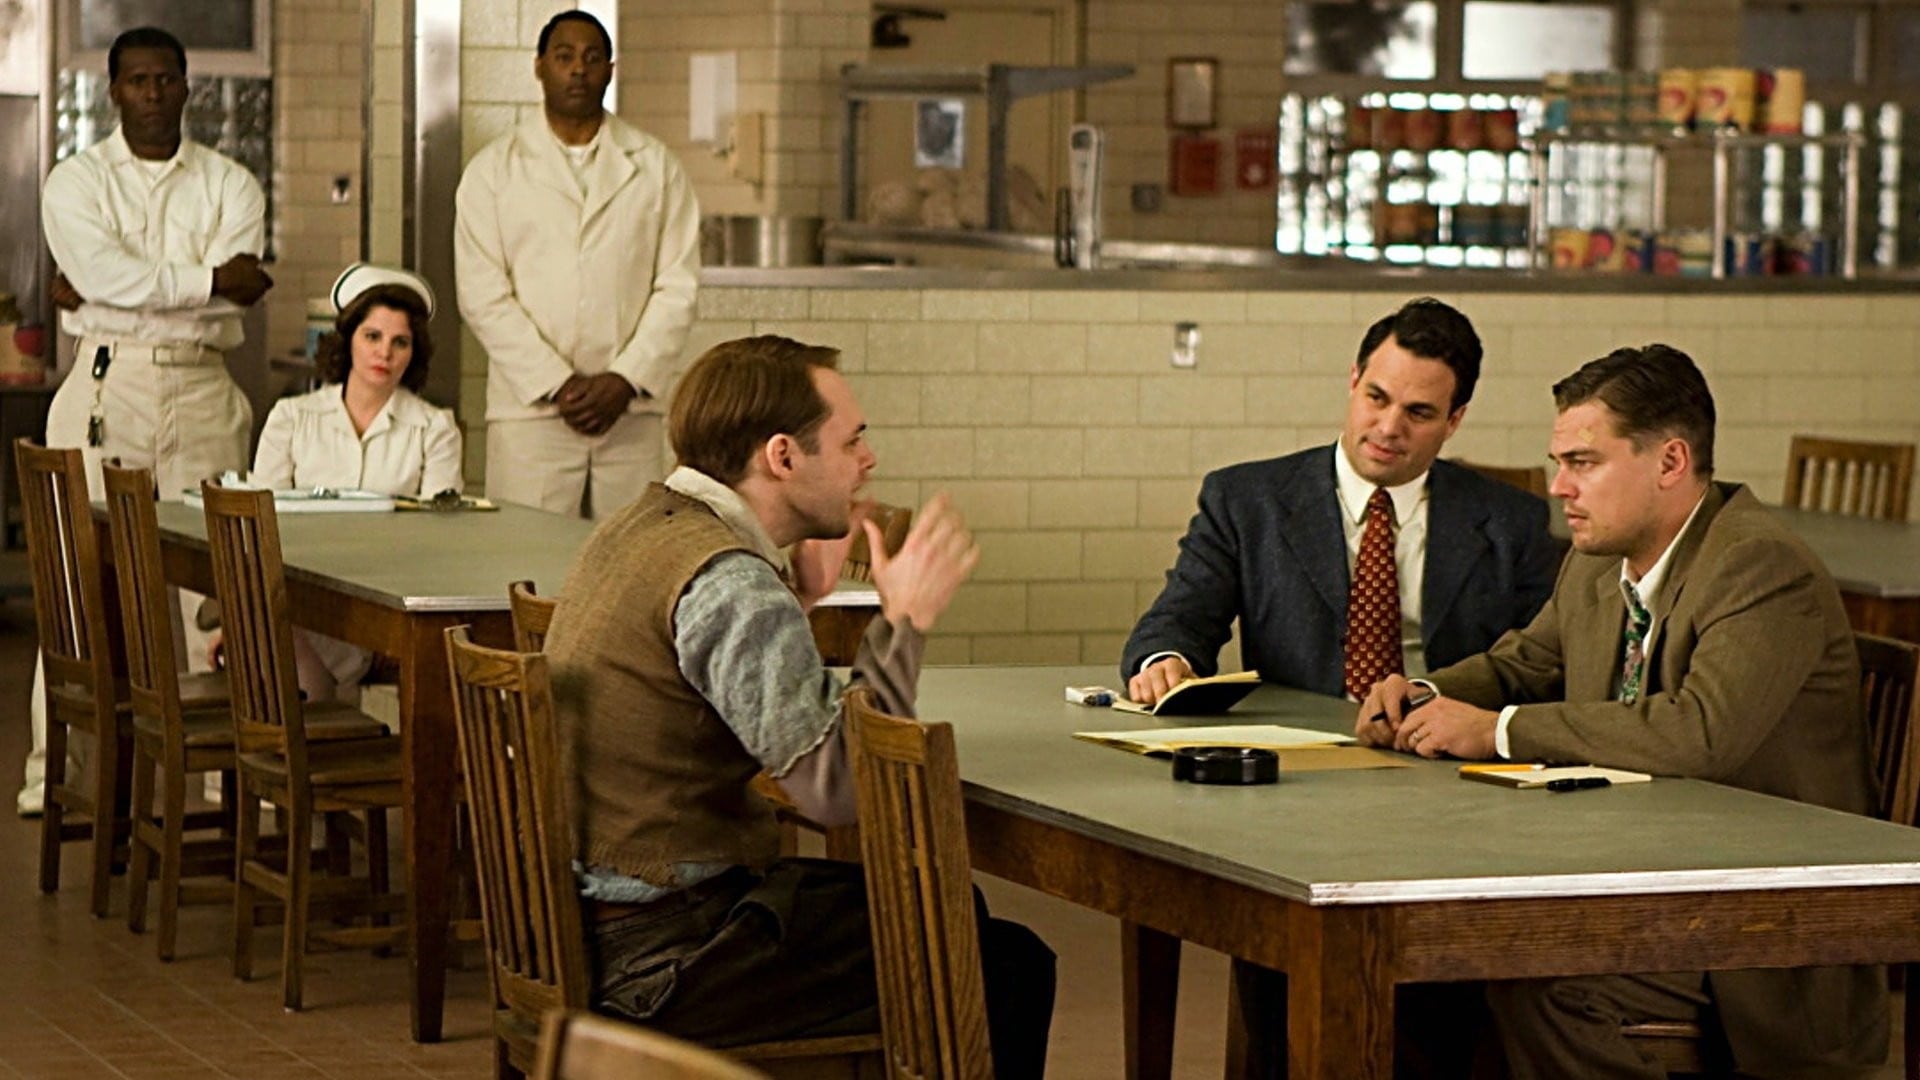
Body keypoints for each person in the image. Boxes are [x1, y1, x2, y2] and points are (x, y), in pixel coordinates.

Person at [1359, 344, 1888, 1078]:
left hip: (1760, 928)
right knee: (1416, 965)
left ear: (1670, 462)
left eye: (1583, 462)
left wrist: (1497, 731)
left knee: (1541, 986)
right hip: (1633, 882)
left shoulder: (1760, 565)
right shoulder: (1599, 557)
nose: (1560, 486)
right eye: (1559, 463)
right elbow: (1525, 664)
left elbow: (1698, 732)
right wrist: (1419, 695)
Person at [544, 335, 1055, 1077]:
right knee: (993, 958)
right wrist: (902, 621)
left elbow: (720, 684)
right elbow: (836, 790)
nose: (868, 461)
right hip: (661, 956)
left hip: (594, 921)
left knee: (949, 915)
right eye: (851, 442)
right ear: (782, 456)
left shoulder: (641, 527)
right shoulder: (730, 582)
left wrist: (804, 596)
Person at [22, 24, 272, 815]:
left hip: (202, 386)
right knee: (80, 578)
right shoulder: (76, 179)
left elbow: (115, 283)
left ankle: (222, 776)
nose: (153, 93)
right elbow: (113, 273)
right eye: (138, 80)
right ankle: (56, 773)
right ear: (113, 91)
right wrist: (207, 282)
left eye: (166, 79)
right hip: (107, 385)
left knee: (216, 584)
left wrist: (111, 293)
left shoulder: (231, 183)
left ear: (187, 86)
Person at [1122, 297, 1559, 705]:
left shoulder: (1512, 521)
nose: (1389, 427)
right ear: (1354, 381)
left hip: (1441, 740)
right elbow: (1180, 619)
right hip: (1297, 744)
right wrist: (1166, 660)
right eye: (1377, 398)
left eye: (1418, 412)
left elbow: (1543, 664)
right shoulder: (1246, 502)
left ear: (1454, 420)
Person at [454, 10, 698, 521]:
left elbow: (678, 287)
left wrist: (625, 378)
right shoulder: (492, 172)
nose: (578, 70)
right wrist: (557, 384)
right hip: (532, 413)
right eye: (564, 57)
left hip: (628, 412)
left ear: (610, 69)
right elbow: (482, 293)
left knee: (632, 555)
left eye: (591, 58)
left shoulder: (657, 168)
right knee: (527, 556)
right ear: (539, 66)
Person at [247, 263, 462, 703]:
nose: (385, 353)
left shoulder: (435, 428)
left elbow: (440, 539)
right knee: (281, 619)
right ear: (347, 340)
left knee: (275, 632)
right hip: (303, 591)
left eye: (400, 342)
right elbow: (261, 523)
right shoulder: (293, 418)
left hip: (389, 599)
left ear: (414, 352)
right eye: (372, 336)